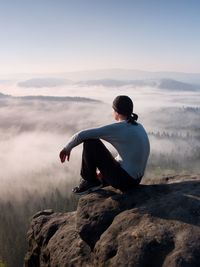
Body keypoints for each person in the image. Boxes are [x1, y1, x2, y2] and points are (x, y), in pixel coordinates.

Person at [59, 95, 150, 195]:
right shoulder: (137, 126)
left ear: (116, 111)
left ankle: (90, 182)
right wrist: (103, 172)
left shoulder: (119, 128)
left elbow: (82, 135)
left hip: (124, 181)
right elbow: (127, 157)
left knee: (91, 142)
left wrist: (67, 148)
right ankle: (97, 179)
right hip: (135, 179)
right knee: (98, 150)